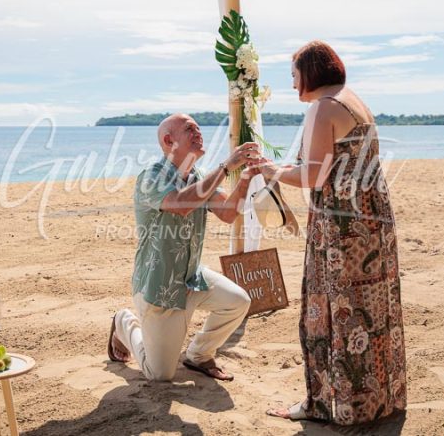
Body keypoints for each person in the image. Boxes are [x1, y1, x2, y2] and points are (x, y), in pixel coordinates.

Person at [261, 41, 407, 423]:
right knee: (371, 310)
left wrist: (267, 171)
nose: (293, 84)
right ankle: (377, 401)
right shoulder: (352, 100)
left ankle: (328, 404)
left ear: (309, 72)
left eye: (294, 75)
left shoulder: (322, 108)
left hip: (341, 225)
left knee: (331, 310)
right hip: (372, 219)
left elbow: (313, 176)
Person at [108, 113, 260, 381]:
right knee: (160, 375)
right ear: (168, 140)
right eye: (190, 129)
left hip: (191, 279)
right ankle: (124, 323)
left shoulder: (200, 176)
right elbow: (181, 204)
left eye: (199, 128)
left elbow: (227, 213)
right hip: (159, 286)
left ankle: (198, 355)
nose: (199, 132)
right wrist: (226, 167)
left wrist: (246, 178)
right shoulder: (151, 176)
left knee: (238, 301)